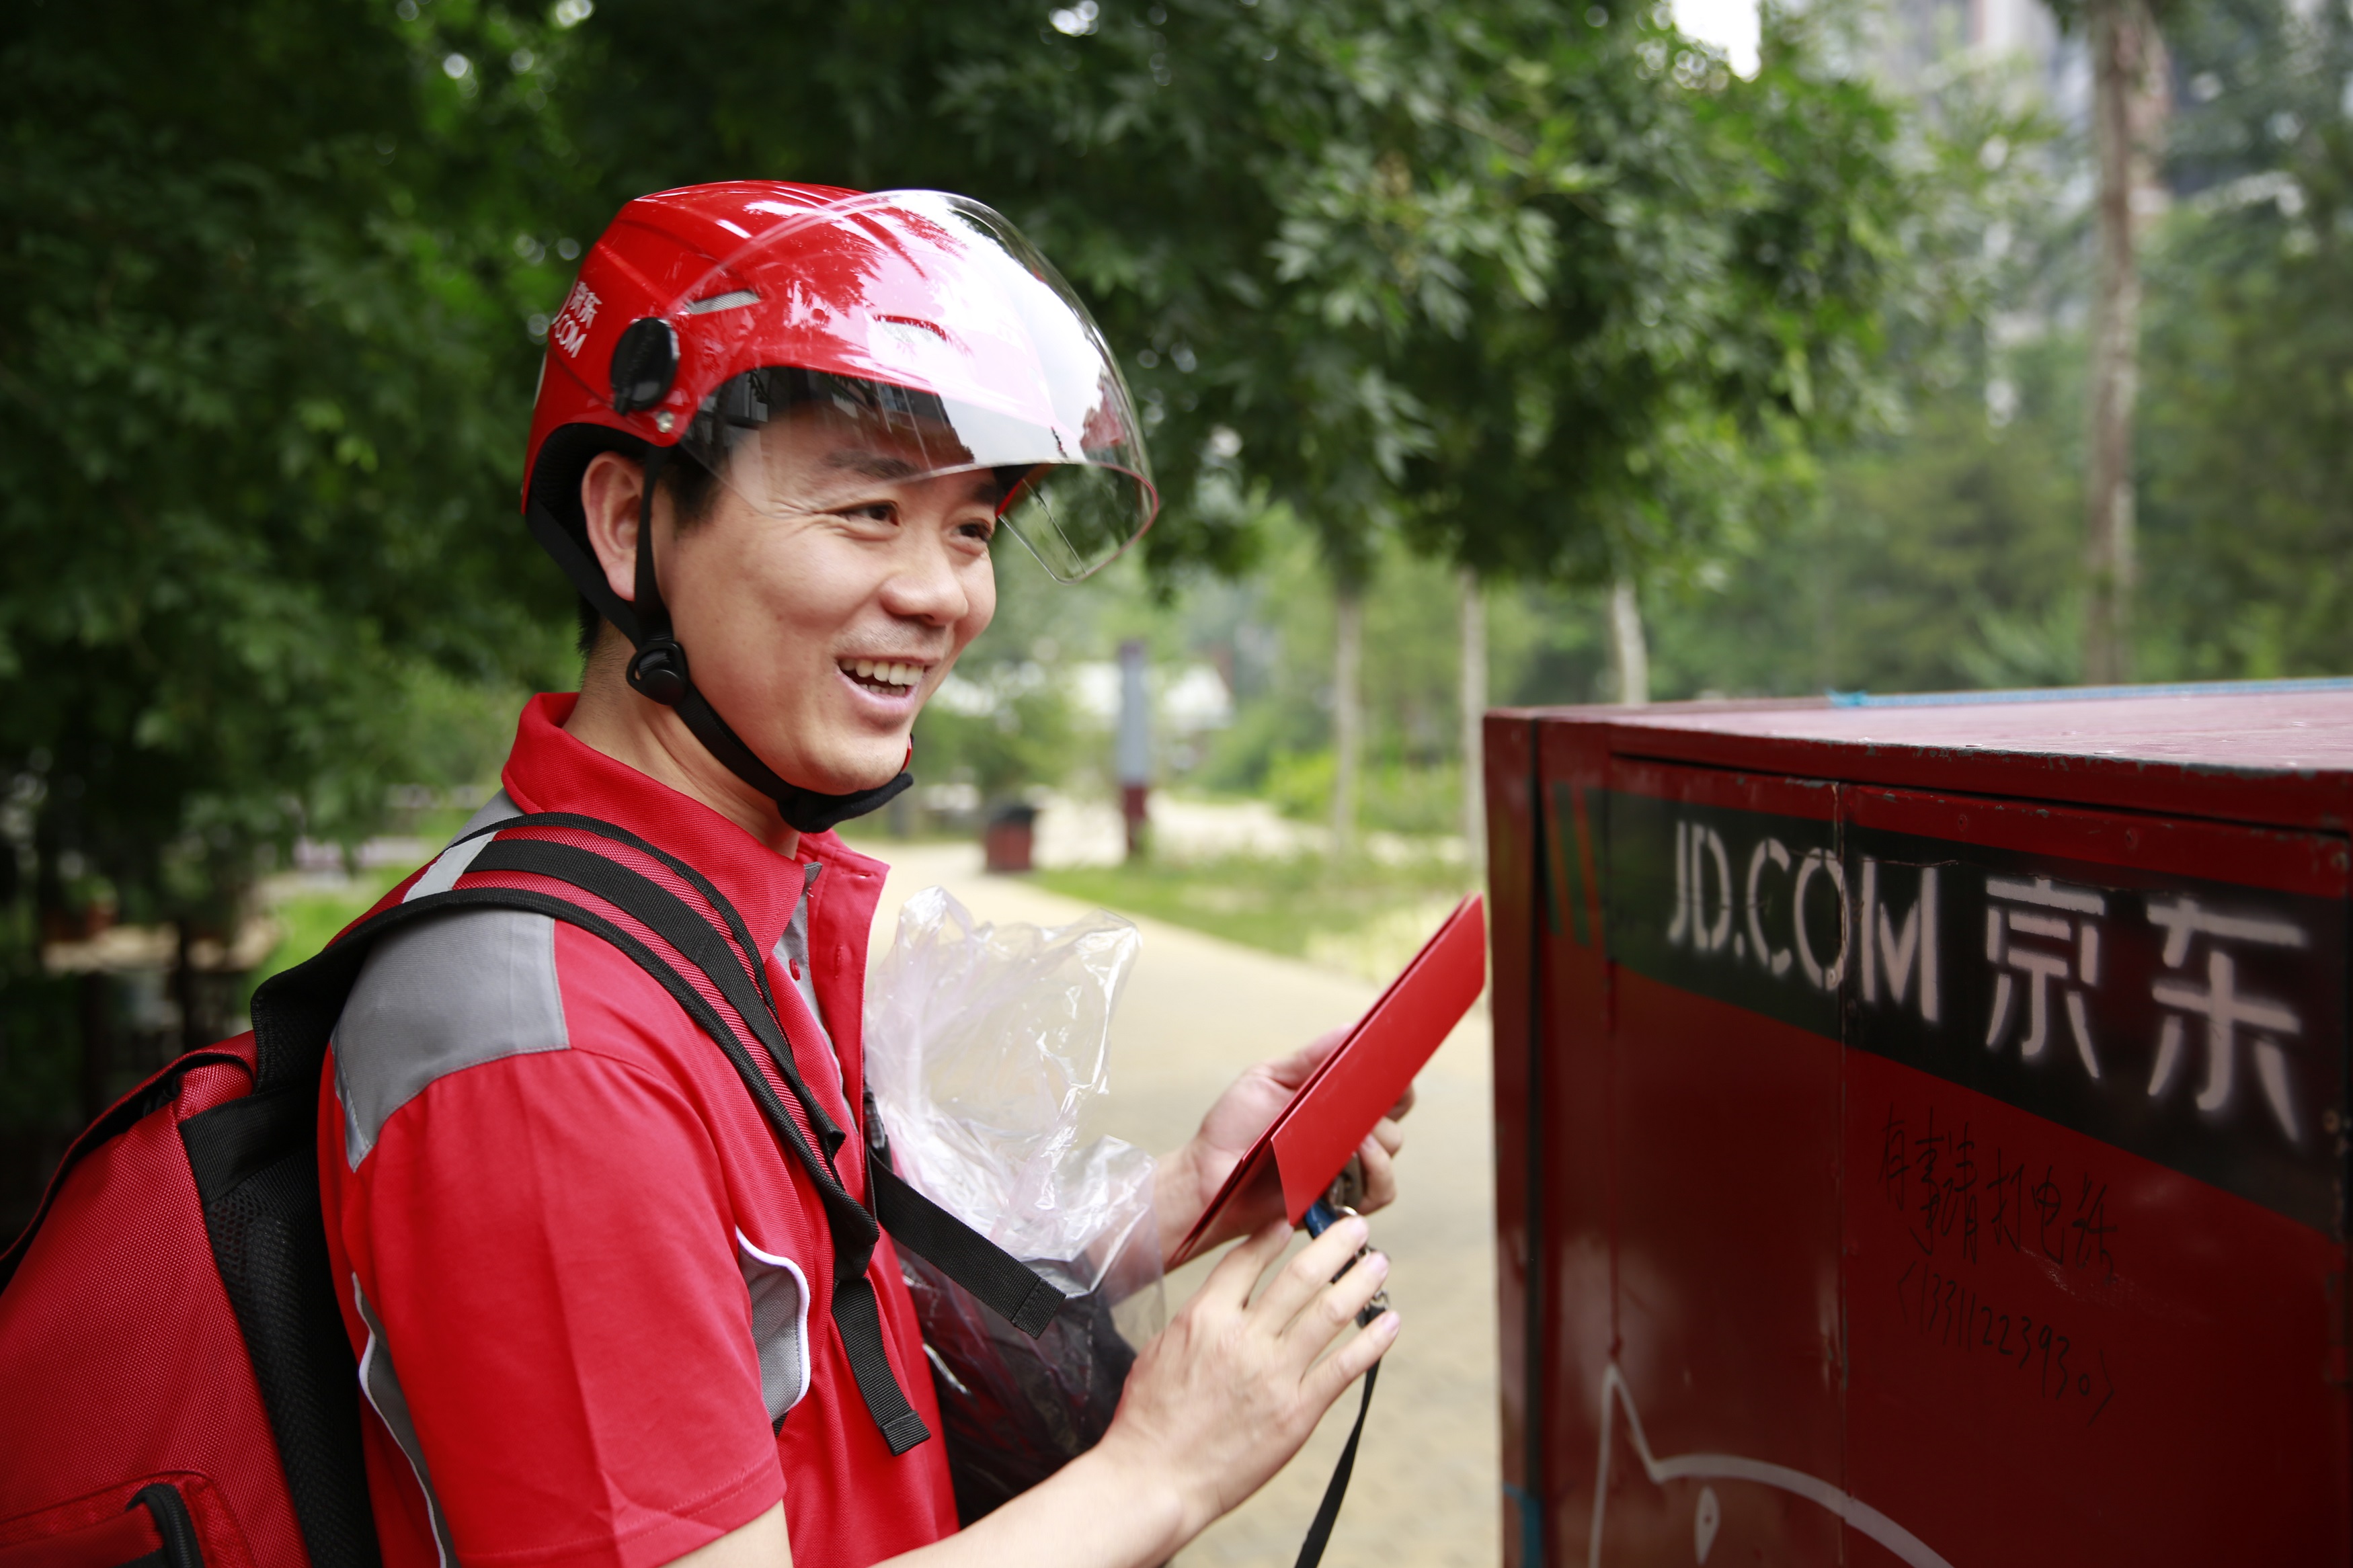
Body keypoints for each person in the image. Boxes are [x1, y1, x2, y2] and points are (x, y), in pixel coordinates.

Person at [317, 181, 1410, 1568]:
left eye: (968, 528)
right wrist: (1158, 1473)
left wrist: (1181, 1199)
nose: (946, 594)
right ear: (624, 525)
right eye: (868, 510)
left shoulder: (732, 917)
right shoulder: (542, 1049)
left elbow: (833, 1323)